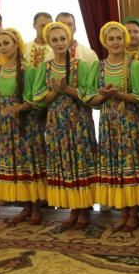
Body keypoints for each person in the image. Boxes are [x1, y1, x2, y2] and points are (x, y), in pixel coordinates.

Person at [0, 28, 48, 225]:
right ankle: (25, 206)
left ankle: (36, 206)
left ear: (16, 44)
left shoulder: (28, 70)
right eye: (0, 44)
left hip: (25, 126)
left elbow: (36, 101)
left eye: (6, 43)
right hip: (6, 127)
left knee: (30, 163)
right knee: (16, 165)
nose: (3, 47)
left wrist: (17, 108)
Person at [88, 21, 139, 233]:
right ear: (104, 41)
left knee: (129, 166)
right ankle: (122, 212)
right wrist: (102, 95)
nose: (115, 42)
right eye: (111, 38)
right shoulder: (99, 66)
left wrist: (118, 94)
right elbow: (90, 99)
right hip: (108, 124)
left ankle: (133, 214)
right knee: (115, 167)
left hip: (130, 124)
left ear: (126, 40)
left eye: (119, 38)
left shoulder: (135, 66)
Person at [41, 21, 98, 230]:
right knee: (65, 164)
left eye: (62, 39)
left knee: (80, 162)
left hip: (78, 121)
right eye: (54, 40)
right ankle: (73, 208)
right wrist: (56, 92)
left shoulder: (81, 65)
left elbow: (89, 95)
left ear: (69, 39)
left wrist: (67, 89)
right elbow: (39, 98)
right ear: (49, 42)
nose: (59, 43)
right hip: (57, 122)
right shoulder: (45, 68)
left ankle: (84, 208)